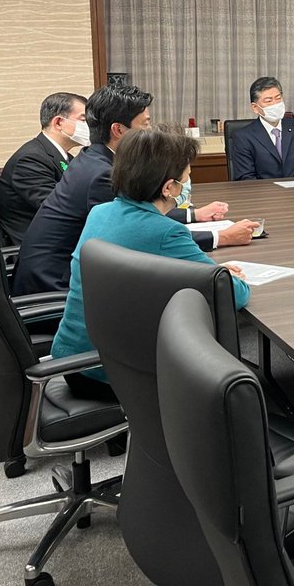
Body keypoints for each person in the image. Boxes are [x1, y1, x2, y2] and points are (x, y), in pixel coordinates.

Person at [50, 128, 251, 401]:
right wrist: (225, 277)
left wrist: (211, 274)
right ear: (169, 188)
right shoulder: (165, 232)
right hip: (115, 374)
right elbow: (233, 294)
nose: (186, 185)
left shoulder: (100, 212)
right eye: (185, 178)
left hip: (74, 360)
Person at [13, 85, 252, 294]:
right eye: (145, 124)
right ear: (118, 130)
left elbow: (139, 217)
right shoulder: (103, 174)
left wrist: (194, 216)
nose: (150, 131)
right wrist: (219, 239)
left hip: (65, 271)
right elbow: (137, 231)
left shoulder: (94, 158)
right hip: (56, 282)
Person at [0, 92, 88, 243]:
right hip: (41, 244)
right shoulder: (30, 159)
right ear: (58, 122)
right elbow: (57, 207)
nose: (90, 126)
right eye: (84, 120)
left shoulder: (62, 155)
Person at [228, 77, 294, 180]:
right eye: (268, 101)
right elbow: (246, 178)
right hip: (264, 190)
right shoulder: (243, 137)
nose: (275, 104)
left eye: (278, 98)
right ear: (255, 108)